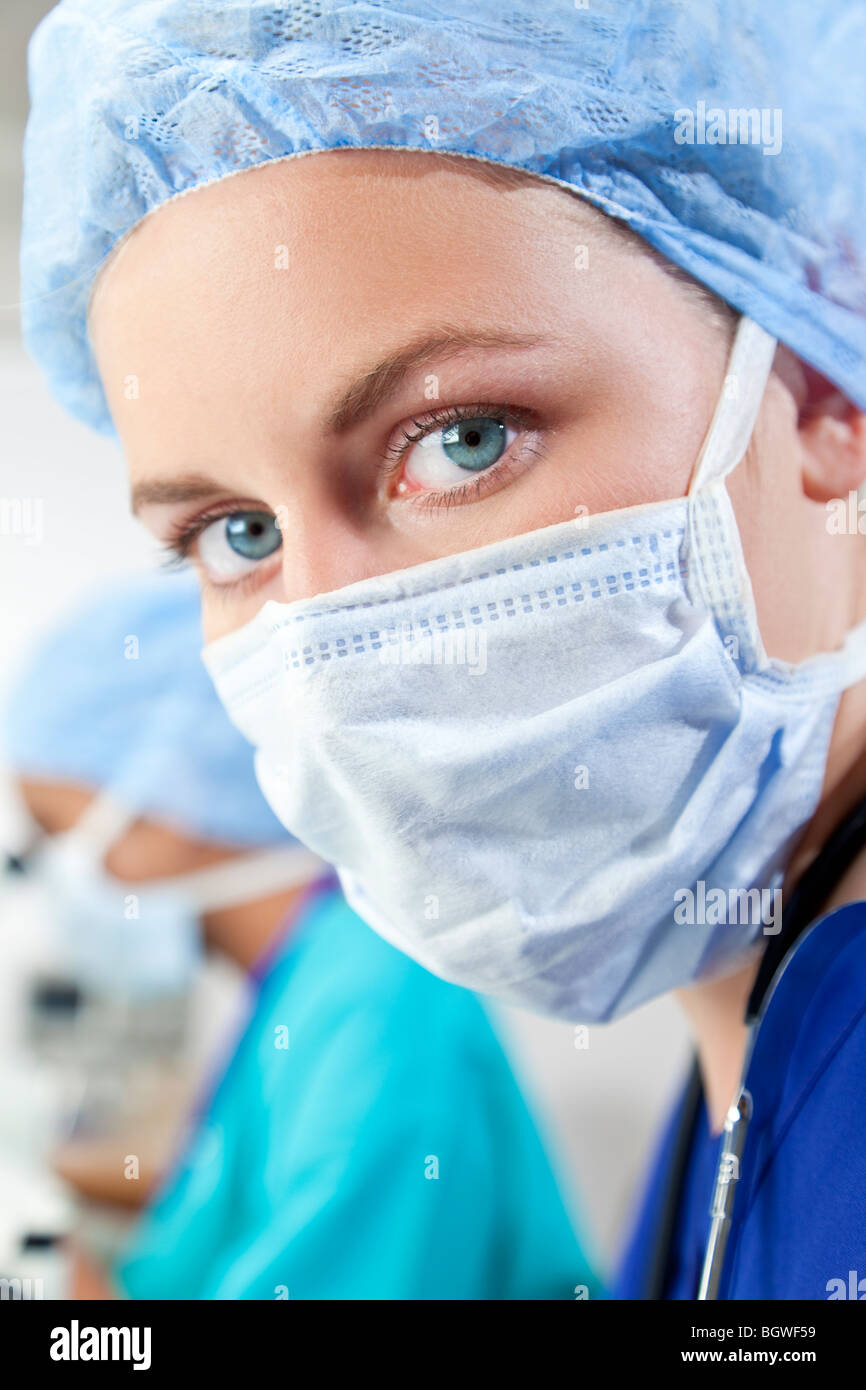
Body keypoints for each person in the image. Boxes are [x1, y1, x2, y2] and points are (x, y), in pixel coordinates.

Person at [18, 0, 866, 1301]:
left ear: (818, 401)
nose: (325, 640)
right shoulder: (755, 1040)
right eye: (233, 531)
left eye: (462, 437)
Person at [2, 569, 599, 1300]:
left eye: (57, 834)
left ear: (171, 787)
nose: (62, 879)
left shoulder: (376, 995)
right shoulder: (303, 983)